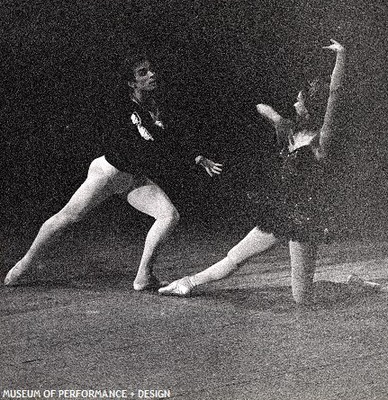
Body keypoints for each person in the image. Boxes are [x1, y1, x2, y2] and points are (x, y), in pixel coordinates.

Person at [4, 52, 222, 290]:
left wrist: (197, 157)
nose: (151, 75)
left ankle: (144, 277)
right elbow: (145, 141)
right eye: (143, 73)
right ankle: (23, 265)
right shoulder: (123, 107)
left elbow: (167, 139)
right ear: (131, 83)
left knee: (169, 216)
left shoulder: (154, 105)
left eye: (150, 70)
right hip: (109, 174)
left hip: (132, 177)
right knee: (67, 217)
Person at [159, 39, 346, 304]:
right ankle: (187, 283)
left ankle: (359, 284)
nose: (294, 102)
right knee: (235, 256)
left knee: (301, 298)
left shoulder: (321, 141)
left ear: (310, 106)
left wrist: (341, 56)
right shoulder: (290, 129)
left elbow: (335, 94)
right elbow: (266, 111)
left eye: (299, 99)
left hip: (306, 220)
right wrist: (262, 109)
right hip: (282, 213)